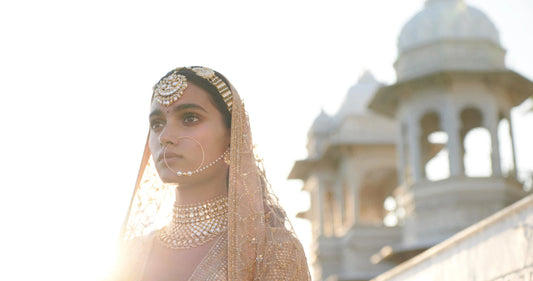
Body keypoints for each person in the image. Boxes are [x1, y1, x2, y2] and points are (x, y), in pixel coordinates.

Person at [112, 66, 311, 280]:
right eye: (157, 123)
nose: (165, 136)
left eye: (190, 118)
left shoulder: (271, 251)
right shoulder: (129, 256)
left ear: (232, 134)